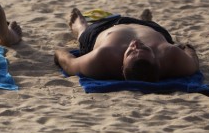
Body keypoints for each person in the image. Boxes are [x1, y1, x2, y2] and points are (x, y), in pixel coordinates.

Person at [54, 8, 199, 82]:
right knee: (157, 30)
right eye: (144, 48)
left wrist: (61, 52)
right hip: (150, 29)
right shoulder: (170, 54)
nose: (135, 44)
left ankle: (79, 25)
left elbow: (68, 63)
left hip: (104, 29)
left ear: (122, 67)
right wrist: (186, 48)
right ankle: (145, 21)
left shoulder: (103, 57)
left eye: (130, 51)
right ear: (157, 60)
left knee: (84, 35)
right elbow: (192, 58)